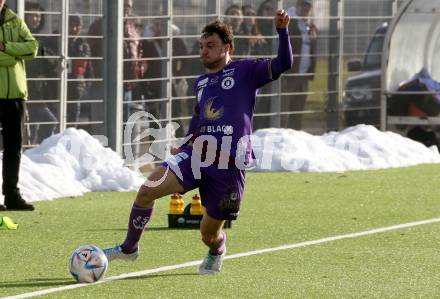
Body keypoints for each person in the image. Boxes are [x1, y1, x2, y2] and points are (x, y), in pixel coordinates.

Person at [102, 9, 292, 274]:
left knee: (207, 234)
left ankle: (217, 248)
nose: (204, 51)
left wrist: (282, 30)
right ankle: (129, 249)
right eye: (201, 46)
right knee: (147, 190)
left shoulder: (247, 70)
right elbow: (198, 117)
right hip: (196, 155)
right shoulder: (201, 82)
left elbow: (284, 63)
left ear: (228, 47)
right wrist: (185, 142)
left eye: (211, 45)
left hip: (229, 163)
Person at [0, 0, 38, 211]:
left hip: (15, 94)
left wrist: (6, 47)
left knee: (13, 147)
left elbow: (33, 48)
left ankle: (12, 196)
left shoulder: (15, 21)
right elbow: (21, 53)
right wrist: (12, 57)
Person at [24, 2, 58, 144]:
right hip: (26, 89)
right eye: (32, 15)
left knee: (41, 124)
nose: (36, 19)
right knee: (46, 122)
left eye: (38, 16)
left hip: (39, 90)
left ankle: (38, 153)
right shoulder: (21, 36)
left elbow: (49, 63)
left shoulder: (40, 39)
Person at [282, 0, 317, 130]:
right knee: (284, 109)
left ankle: (295, 137)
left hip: (304, 74)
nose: (305, 9)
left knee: (298, 110)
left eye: (308, 7)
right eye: (303, 6)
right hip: (290, 73)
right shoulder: (288, 22)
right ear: (297, 6)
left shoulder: (310, 25)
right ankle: (281, 135)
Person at [67, 15, 92, 125]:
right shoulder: (55, 42)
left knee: (72, 125)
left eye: (77, 26)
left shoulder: (83, 46)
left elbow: (88, 69)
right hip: (56, 91)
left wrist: (85, 85)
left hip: (76, 91)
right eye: (71, 25)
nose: (74, 29)